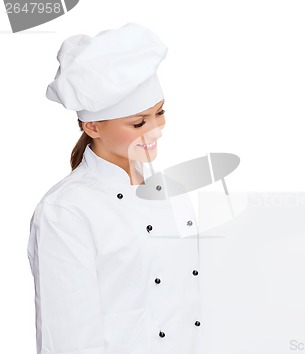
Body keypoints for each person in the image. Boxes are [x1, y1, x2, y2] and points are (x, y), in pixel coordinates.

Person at [27, 23, 202, 354]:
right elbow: (67, 337)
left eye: (159, 113)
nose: (156, 131)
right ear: (92, 126)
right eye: (139, 122)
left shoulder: (172, 191)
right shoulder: (66, 211)